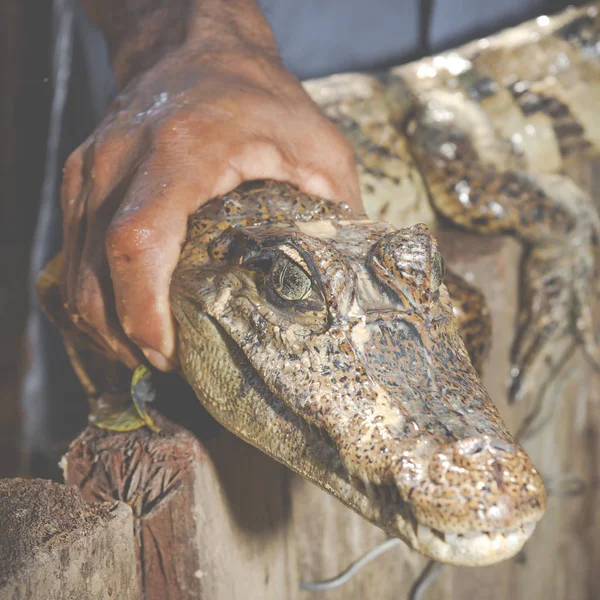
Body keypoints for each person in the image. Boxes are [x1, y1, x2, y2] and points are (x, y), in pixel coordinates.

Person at [24, 0, 572, 476]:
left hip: (464, 74)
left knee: (466, 191)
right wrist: (187, 36)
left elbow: (452, 310)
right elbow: (61, 288)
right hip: (176, 83)